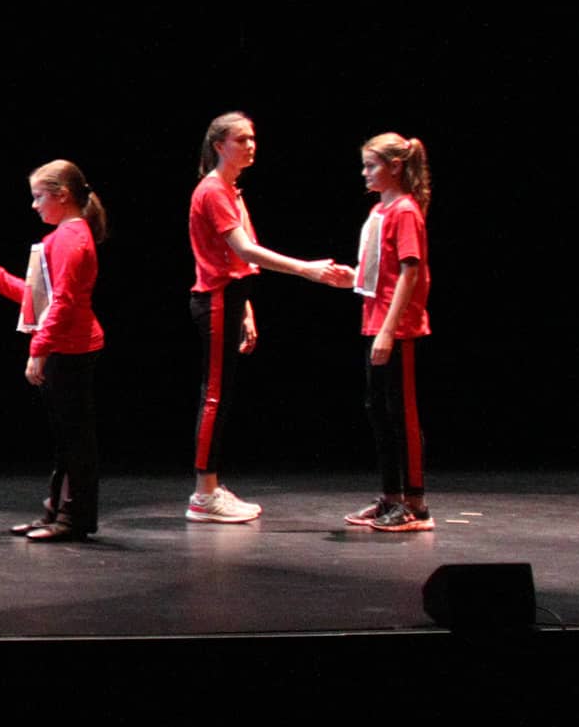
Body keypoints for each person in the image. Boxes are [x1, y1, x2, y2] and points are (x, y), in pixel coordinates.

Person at [185, 111, 352, 524]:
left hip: (230, 298)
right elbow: (244, 251)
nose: (251, 145)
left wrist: (247, 308)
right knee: (214, 396)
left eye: (253, 138)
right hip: (216, 299)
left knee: (219, 396)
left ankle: (210, 486)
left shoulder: (231, 190)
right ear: (219, 145)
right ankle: (203, 495)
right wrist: (306, 269)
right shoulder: (213, 192)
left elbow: (241, 255)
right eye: (242, 139)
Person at [0, 161, 108, 540]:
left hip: (72, 348)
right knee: (66, 437)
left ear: (62, 195)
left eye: (39, 197)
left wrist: (39, 349)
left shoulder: (71, 238)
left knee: (75, 438)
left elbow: (64, 302)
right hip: (66, 346)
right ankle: (58, 512)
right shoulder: (63, 237)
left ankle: (73, 517)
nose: (34, 206)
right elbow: (41, 298)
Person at [348, 133, 434, 532]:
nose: (365, 173)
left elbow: (410, 271)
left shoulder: (405, 210)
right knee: (378, 412)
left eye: (372, 165)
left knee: (402, 414)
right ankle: (391, 498)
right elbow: (378, 271)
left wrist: (388, 331)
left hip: (396, 329)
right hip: (374, 321)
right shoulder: (380, 211)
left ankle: (415, 504)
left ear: (395, 167)